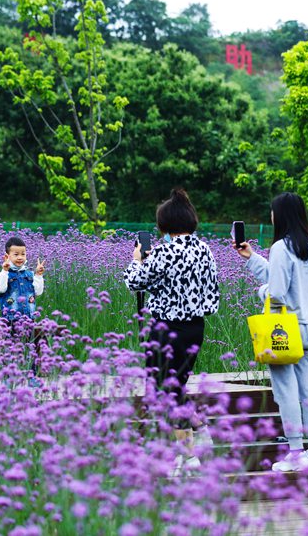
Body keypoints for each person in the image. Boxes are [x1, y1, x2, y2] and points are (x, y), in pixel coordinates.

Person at [123, 188, 220, 476]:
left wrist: (137, 260)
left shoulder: (164, 250)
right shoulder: (205, 249)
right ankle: (200, 431)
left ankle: (188, 457)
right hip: (195, 328)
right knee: (172, 386)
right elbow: (211, 290)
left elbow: (135, 281)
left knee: (166, 390)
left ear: (164, 225)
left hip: (167, 328)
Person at [234, 192, 308, 472]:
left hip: (283, 330)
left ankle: (296, 451)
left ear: (281, 215)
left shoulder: (280, 247)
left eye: (273, 212)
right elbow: (289, 280)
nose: (271, 217)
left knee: (286, 390)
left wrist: (261, 291)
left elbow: (276, 291)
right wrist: (251, 258)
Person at [0, 236, 45, 321]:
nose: (20, 257)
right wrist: (4, 271)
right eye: (16, 254)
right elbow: (0, 289)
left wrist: (38, 275)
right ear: (7, 256)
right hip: (10, 320)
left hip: (29, 319)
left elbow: (38, 292)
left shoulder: (30, 274)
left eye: (23, 254)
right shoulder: (5, 274)